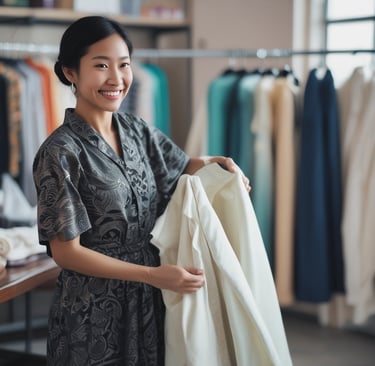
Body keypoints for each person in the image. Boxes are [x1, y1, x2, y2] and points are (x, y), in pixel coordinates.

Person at [33, 15, 250, 366]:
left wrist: (221, 163)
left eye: (124, 65)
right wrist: (152, 275)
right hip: (92, 312)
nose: (116, 79)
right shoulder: (60, 152)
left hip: (150, 301)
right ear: (71, 72)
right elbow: (65, 252)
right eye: (101, 65)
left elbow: (181, 164)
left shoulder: (135, 129)